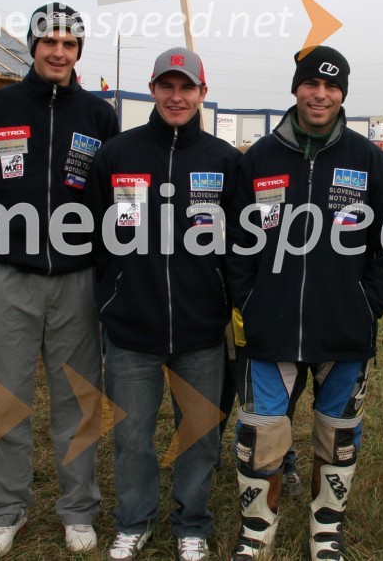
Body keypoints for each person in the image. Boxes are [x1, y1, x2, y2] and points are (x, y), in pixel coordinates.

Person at [226, 45, 383, 560]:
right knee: (260, 433)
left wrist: (370, 301)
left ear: (343, 93)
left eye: (331, 86)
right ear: (296, 88)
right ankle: (257, 530)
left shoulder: (370, 161)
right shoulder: (258, 159)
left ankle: (325, 531)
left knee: (338, 436)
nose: (320, 94)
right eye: (311, 84)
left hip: (344, 331)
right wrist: (249, 298)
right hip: (270, 329)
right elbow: (233, 243)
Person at [0, 3, 119, 557]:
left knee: (77, 398)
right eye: (49, 41)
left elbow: (110, 198)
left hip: (77, 279)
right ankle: (5, 510)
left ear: (79, 52)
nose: (58, 51)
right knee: (4, 397)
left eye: (70, 44)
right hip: (10, 276)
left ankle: (78, 508)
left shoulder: (99, 116)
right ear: (33, 45)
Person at [84, 47, 240, 561]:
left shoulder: (225, 161)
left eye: (187, 87)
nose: (177, 96)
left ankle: (192, 522)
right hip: (132, 330)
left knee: (198, 436)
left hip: (201, 329)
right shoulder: (117, 154)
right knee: (132, 437)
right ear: (152, 89)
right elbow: (92, 234)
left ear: (202, 92)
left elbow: (241, 243)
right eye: (167, 86)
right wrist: (115, 291)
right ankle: (134, 519)